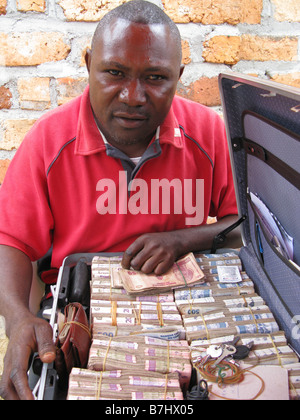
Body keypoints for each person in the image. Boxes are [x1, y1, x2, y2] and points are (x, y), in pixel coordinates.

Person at [0, 0, 241, 400]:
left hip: (188, 309)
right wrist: (17, 318)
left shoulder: (208, 132)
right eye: (114, 73)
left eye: (155, 77)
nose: (133, 96)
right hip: (80, 307)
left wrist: (182, 239)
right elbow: (12, 240)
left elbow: (240, 222)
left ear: (178, 77)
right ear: (88, 63)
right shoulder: (47, 141)